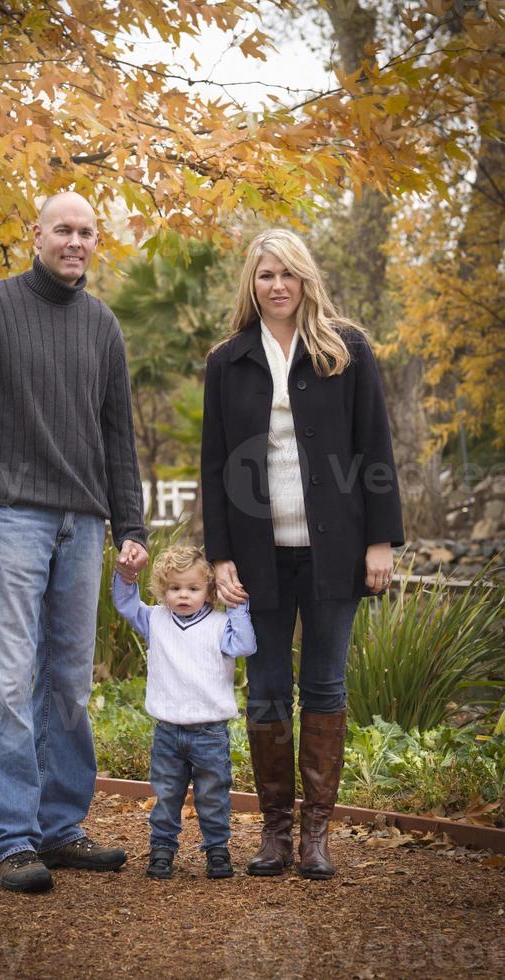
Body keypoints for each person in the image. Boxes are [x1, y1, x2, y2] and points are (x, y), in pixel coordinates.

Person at [0, 191, 148, 893]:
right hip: (8, 521)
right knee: (6, 682)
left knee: (70, 685)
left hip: (82, 526)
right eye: (62, 229)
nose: (74, 241)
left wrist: (131, 525)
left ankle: (59, 829)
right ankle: (12, 841)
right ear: (36, 235)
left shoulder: (103, 325)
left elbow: (119, 438)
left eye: (86, 231)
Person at [201, 229, 404, 880]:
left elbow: (375, 445)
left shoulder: (346, 350)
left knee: (323, 685)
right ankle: (274, 834)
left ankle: (316, 836)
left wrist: (380, 539)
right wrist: (221, 557)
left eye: (288, 273)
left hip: (334, 551)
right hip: (257, 558)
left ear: (306, 279)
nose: (277, 285)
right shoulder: (227, 361)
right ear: (251, 284)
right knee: (264, 693)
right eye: (265, 275)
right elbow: (212, 467)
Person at [112, 545, 256, 879]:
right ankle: (162, 850)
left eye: (193, 588)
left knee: (213, 796)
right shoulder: (156, 620)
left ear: (209, 591)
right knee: (165, 796)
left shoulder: (220, 625)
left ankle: (217, 850)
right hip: (168, 732)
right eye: (175, 588)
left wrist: (237, 606)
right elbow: (125, 603)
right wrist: (126, 575)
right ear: (163, 591)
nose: (183, 595)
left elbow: (245, 645)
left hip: (209, 732)